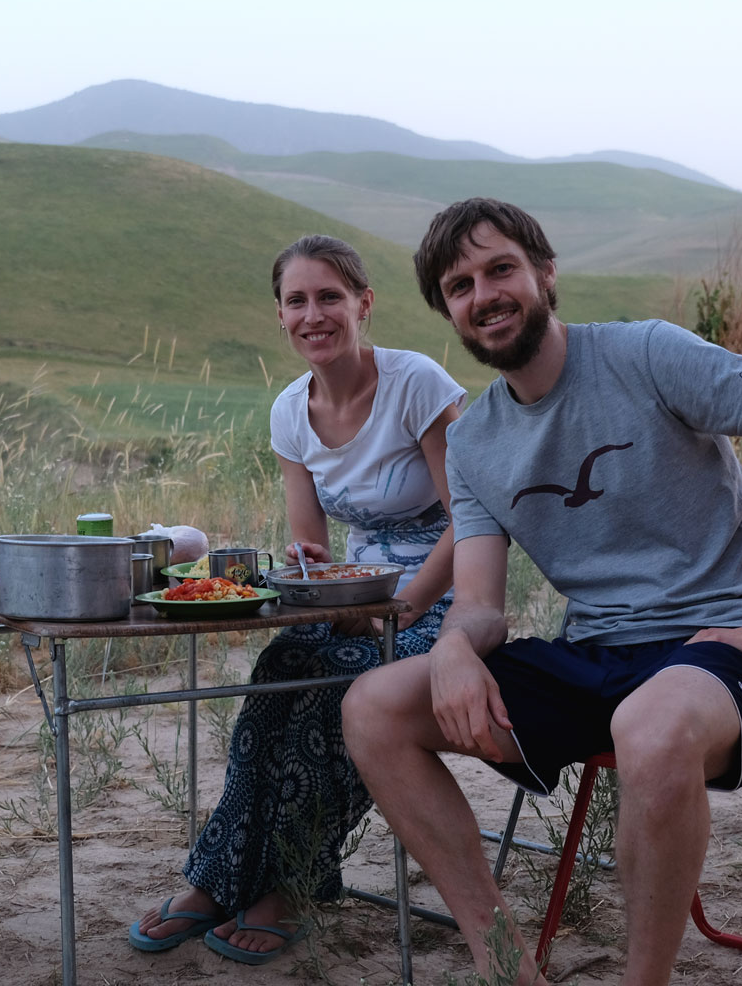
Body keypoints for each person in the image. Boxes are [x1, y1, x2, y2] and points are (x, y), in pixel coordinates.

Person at [342, 199, 742, 985]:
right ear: (447, 310)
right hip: (593, 654)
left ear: (545, 273)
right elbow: (483, 601)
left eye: (501, 269)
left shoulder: (647, 355)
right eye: (460, 284)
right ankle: (506, 966)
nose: (484, 294)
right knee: (373, 705)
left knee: (651, 724)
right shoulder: (473, 441)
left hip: (716, 652)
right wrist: (456, 643)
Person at [130, 235, 467, 965]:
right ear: (279, 316)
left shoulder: (418, 384)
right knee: (278, 673)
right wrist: (313, 575)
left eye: (330, 297)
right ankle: (219, 879)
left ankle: (291, 884)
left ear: (363, 305)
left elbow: (474, 520)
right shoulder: (291, 411)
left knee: (343, 690)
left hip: (446, 601)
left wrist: (402, 606)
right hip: (360, 592)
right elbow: (310, 546)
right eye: (296, 301)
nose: (313, 314)